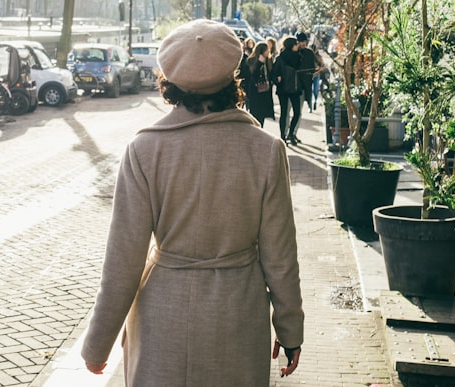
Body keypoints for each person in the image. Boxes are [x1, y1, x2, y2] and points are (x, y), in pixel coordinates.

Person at [81, 19, 304, 386]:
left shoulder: (144, 149)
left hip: (161, 316)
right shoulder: (265, 149)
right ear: (232, 78)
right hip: (237, 311)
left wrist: (97, 345)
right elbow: (281, 255)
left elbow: (123, 259)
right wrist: (290, 328)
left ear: (169, 82)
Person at [272, 36, 304, 145]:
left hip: (295, 89)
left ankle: (291, 133)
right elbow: (274, 73)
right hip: (283, 89)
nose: (297, 45)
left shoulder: (299, 56)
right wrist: (278, 79)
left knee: (297, 112)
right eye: (295, 44)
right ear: (291, 45)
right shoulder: (280, 58)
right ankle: (282, 136)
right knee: (284, 113)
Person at [243, 41, 275, 127]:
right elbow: (253, 75)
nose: (268, 52)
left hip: (265, 90)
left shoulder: (268, 60)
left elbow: (271, 73)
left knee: (262, 114)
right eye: (266, 50)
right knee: (255, 113)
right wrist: (259, 63)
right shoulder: (251, 60)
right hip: (255, 90)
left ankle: (260, 129)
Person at [295, 33, 324, 112]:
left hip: (308, 80)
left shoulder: (309, 52)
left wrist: (318, 68)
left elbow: (317, 64)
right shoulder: (294, 52)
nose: (304, 43)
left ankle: (310, 105)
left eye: (305, 41)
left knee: (311, 92)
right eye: (301, 41)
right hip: (296, 83)